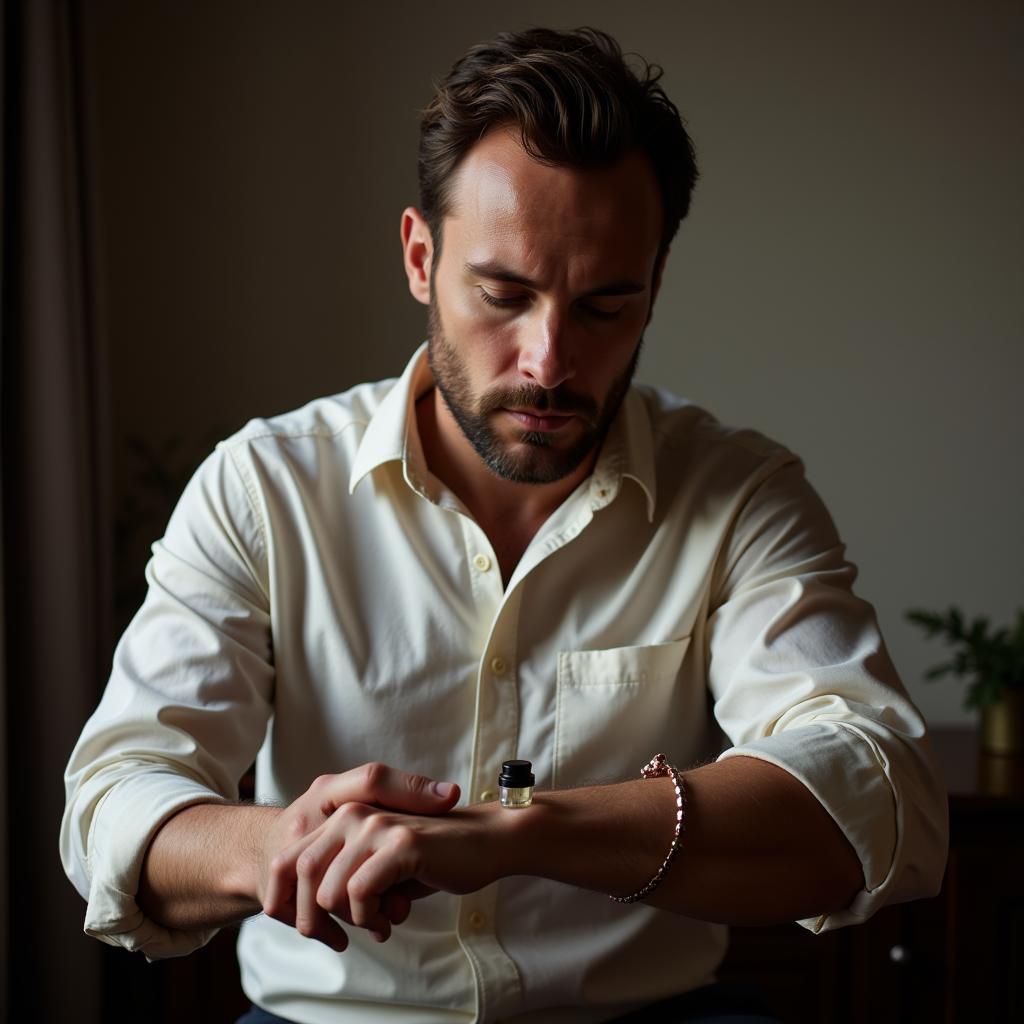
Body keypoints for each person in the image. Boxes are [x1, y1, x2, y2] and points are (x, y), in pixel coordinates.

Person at [61, 26, 948, 1024]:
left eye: (605, 305)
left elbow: (875, 794)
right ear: (418, 257)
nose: (548, 361)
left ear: (654, 285)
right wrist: (283, 845)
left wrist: (522, 832)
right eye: (504, 294)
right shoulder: (263, 486)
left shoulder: (741, 494)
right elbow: (116, 803)